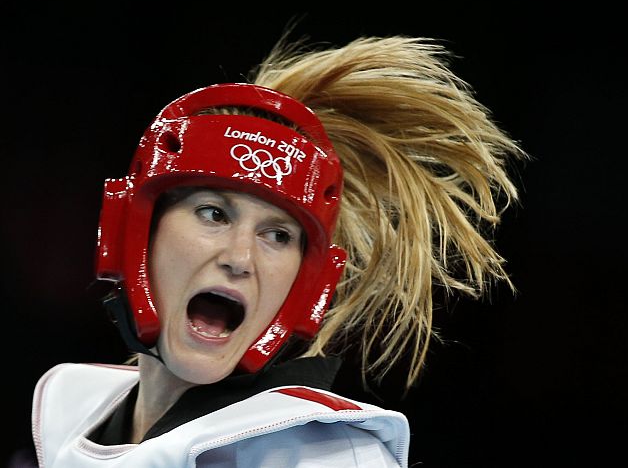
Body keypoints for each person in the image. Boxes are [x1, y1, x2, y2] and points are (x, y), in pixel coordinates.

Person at [30, 34, 527, 467]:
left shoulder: (320, 456)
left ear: (309, 284)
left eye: (278, 236)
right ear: (138, 233)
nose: (240, 258)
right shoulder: (70, 410)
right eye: (214, 214)